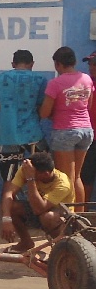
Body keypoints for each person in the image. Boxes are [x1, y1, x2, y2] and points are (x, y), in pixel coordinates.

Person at [40, 46, 92, 205]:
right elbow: (87, 106)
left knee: (65, 178)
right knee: (77, 177)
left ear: (57, 64)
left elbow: (44, 113)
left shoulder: (55, 83)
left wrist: (52, 113)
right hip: (86, 130)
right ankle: (79, 219)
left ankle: (68, 220)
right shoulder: (87, 79)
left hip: (65, 131)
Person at [0, 49, 47, 183]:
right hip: (33, 134)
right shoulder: (40, 80)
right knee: (45, 169)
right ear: (32, 64)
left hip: (9, 134)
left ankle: (10, 203)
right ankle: (39, 200)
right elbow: (42, 107)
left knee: (9, 180)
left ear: (13, 64)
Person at [1, 152, 71, 252]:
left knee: (48, 217)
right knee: (12, 207)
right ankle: (26, 243)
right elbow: (8, 193)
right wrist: (6, 219)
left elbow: (39, 209)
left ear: (46, 174)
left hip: (61, 219)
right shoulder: (28, 169)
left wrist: (31, 179)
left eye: (33, 173)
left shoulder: (63, 184)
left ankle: (62, 250)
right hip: (37, 209)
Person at [82, 50, 96, 202]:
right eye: (90, 63)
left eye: (95, 64)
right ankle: (83, 213)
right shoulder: (85, 83)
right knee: (86, 177)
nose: (91, 67)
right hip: (89, 138)